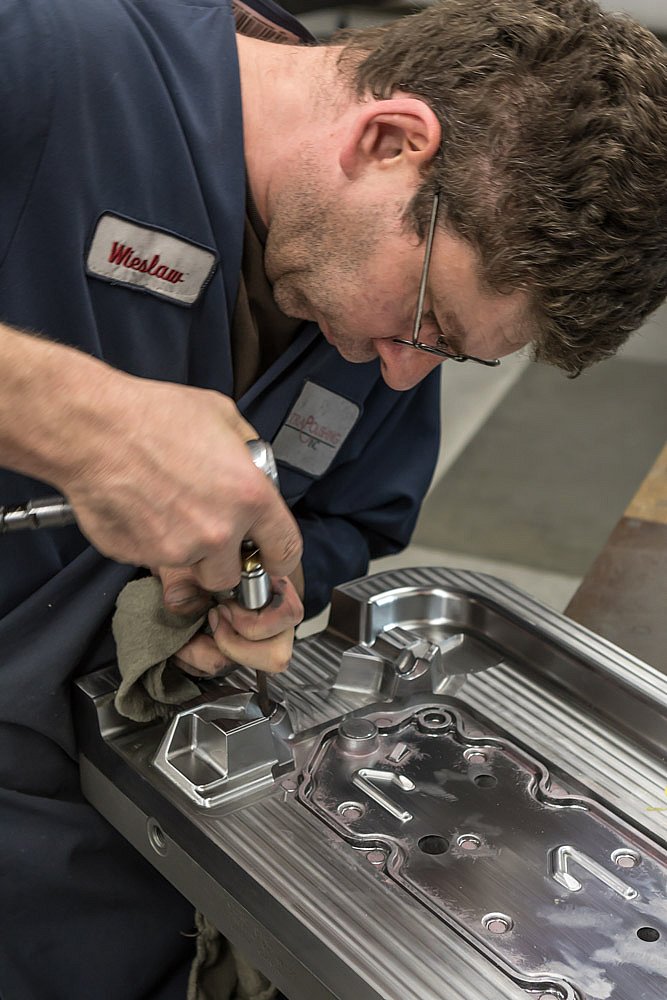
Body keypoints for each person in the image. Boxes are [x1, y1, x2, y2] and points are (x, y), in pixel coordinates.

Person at [0, 0, 665, 996]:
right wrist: (71, 416)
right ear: (388, 140)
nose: (402, 372)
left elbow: (346, 517)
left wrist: (258, 585)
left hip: (111, 861)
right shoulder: (44, 59)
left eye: (450, 353)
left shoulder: (372, 330)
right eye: (426, 321)